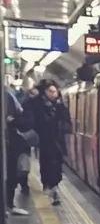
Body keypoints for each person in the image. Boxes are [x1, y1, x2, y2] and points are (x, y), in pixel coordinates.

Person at [29, 81, 70, 205]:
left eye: (55, 91)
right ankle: (50, 186)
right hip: (44, 140)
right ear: (45, 92)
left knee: (56, 165)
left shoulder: (60, 106)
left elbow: (66, 121)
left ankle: (53, 187)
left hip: (57, 141)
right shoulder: (36, 105)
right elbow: (33, 121)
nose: (54, 94)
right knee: (46, 163)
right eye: (51, 91)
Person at [4, 87, 35, 215]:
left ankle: (8, 205)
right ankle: (9, 206)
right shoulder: (8, 97)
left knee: (11, 175)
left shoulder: (8, 97)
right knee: (11, 175)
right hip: (10, 146)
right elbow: (23, 122)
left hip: (10, 145)